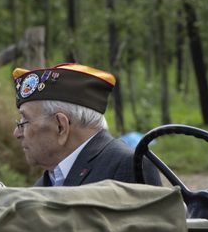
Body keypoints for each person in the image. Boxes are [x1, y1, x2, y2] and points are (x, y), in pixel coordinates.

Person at [12, 63, 161, 186]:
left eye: (24, 122)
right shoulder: (51, 179)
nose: (17, 133)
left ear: (61, 127)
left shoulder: (128, 167)